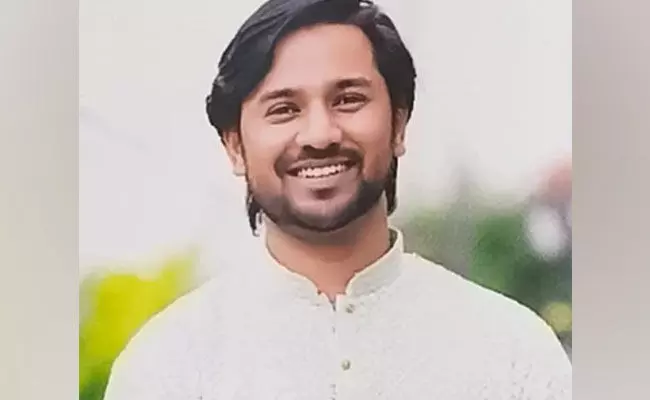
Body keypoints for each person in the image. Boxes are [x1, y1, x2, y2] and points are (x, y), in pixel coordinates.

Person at [104, 0, 572, 398]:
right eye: (284, 109)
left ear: (399, 124)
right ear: (235, 147)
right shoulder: (167, 368)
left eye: (348, 99)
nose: (320, 134)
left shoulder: (514, 352)